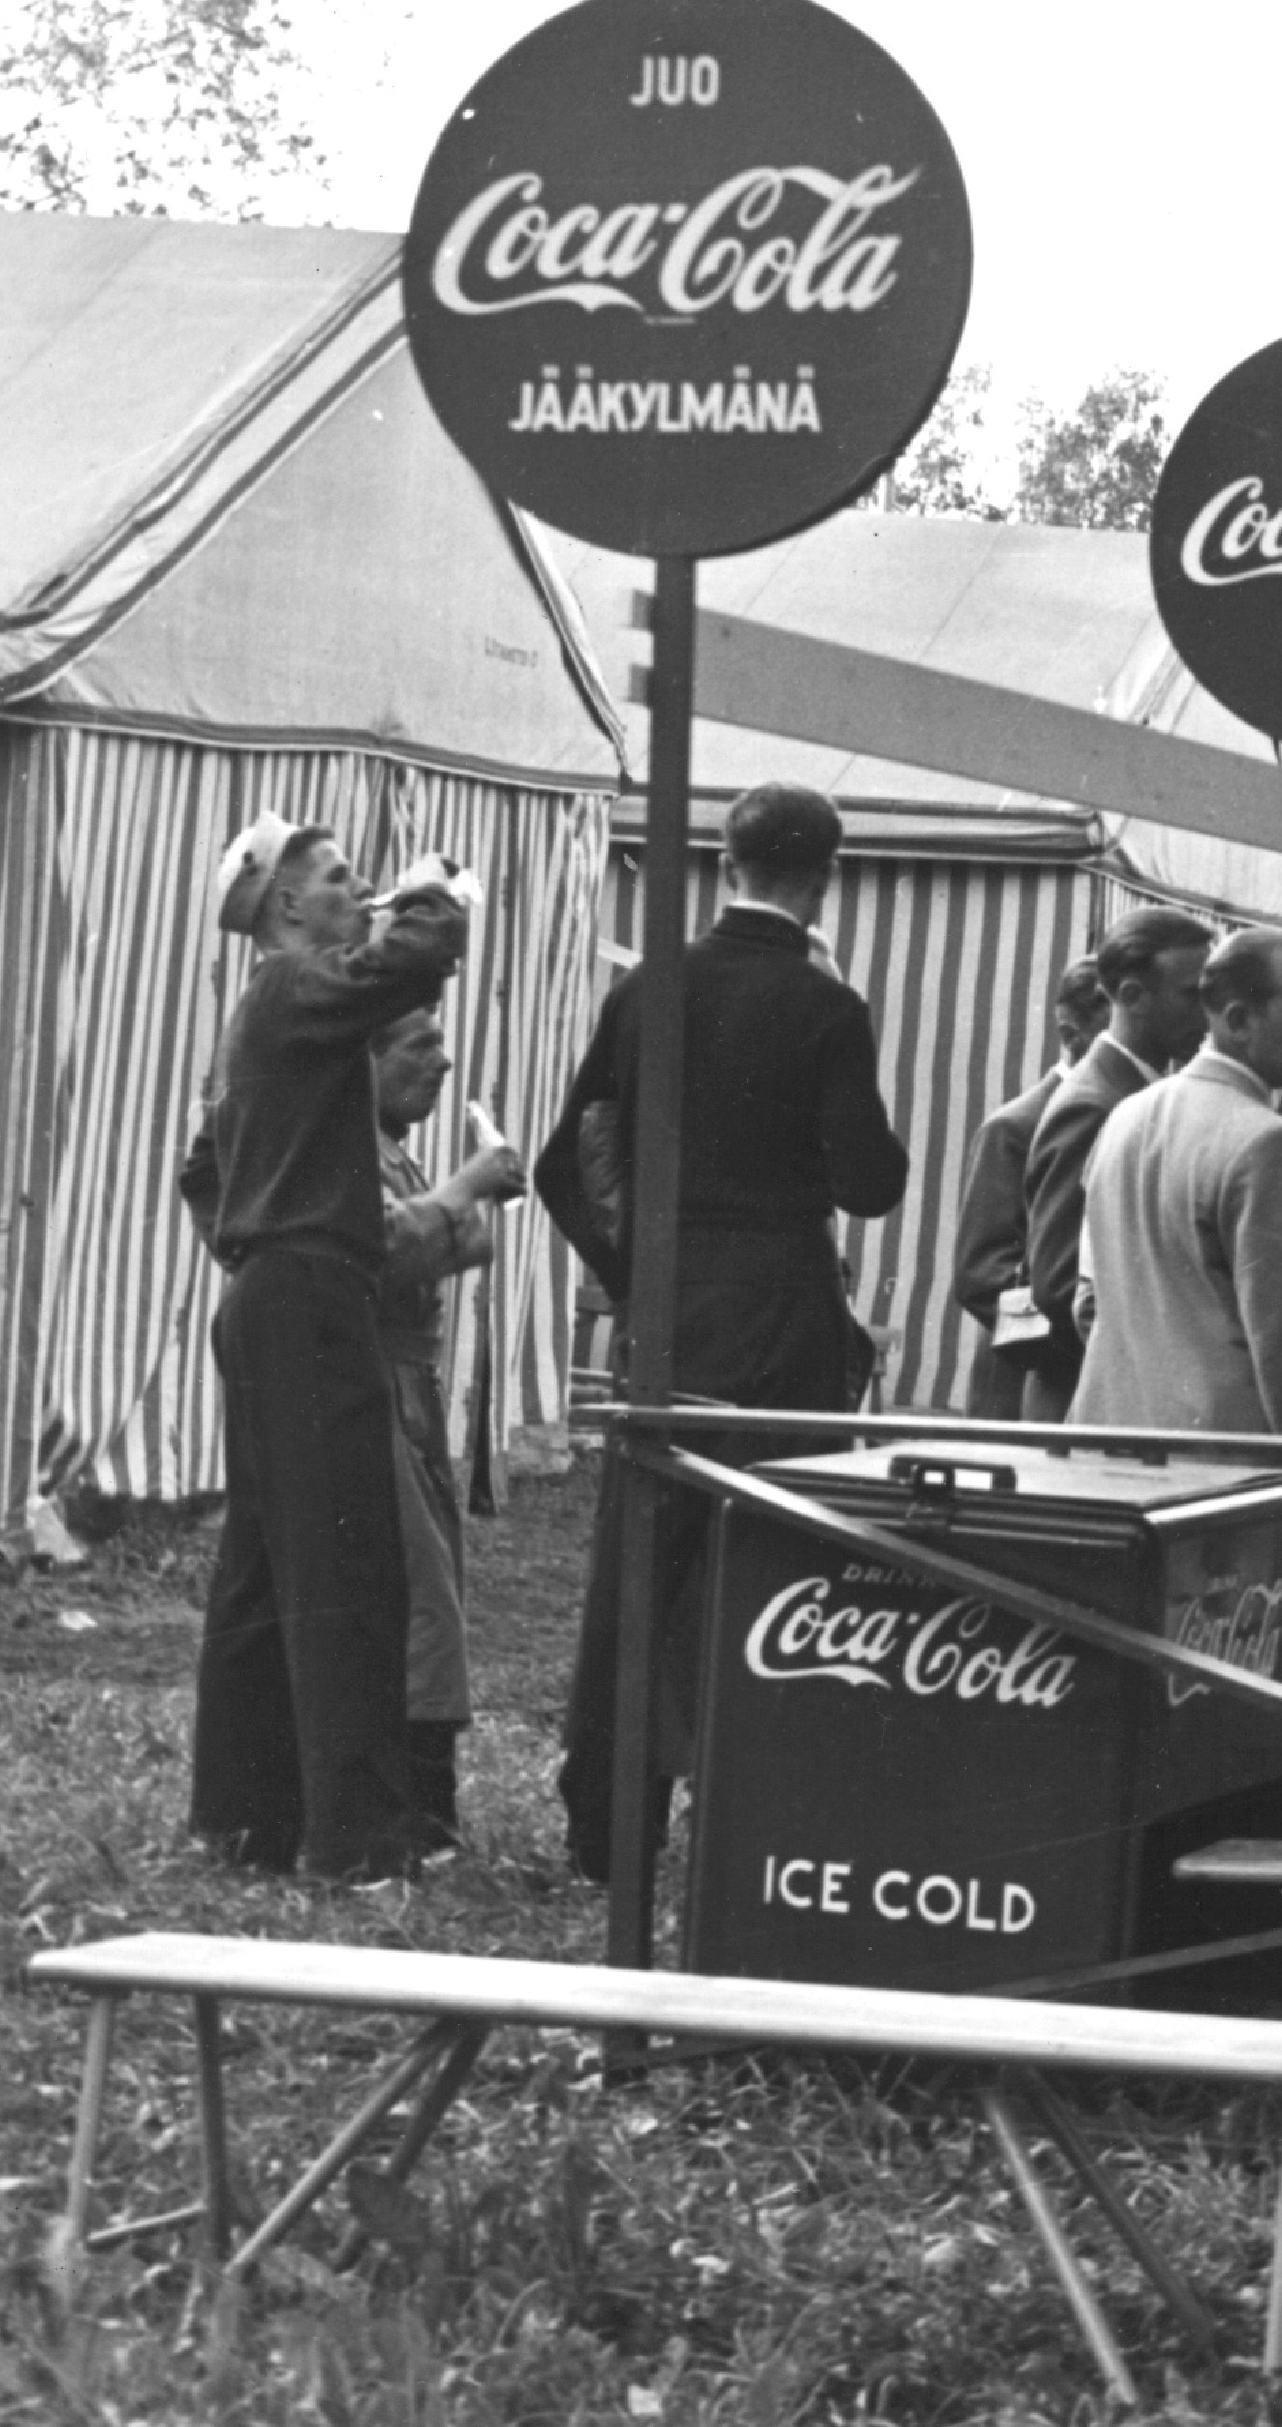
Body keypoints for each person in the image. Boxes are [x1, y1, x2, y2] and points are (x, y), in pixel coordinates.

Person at [538, 779, 909, 1884]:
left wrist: (632, 1269)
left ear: (724, 858)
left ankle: (608, 1824)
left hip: (668, 1310)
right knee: (778, 1564)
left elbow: (565, 1160)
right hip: (782, 1317)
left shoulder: (651, 986)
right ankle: (762, 1817)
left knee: (636, 1569)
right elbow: (872, 1181)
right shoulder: (826, 1007)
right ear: (825, 874)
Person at [175, 815, 469, 1881]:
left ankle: (245, 1817)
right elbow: (419, 953)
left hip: (266, 1299)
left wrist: (256, 1245)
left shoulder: (262, 1017)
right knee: (349, 1563)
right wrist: (431, 891)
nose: (364, 892)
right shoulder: (298, 991)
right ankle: (359, 1838)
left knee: (262, 1570)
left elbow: (202, 1170)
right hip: (309, 1298)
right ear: (288, 908)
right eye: (343, 881)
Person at [1068, 930, 1282, 1531]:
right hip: (1220, 1480)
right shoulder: (1268, 1143)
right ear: (1238, 1019)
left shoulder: (1126, 1117)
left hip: (1105, 1453)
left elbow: (1089, 1299)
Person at [371, 1007, 529, 1848]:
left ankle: (424, 1804)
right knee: (421, 1594)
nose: (441, 1060)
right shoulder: (353, 1149)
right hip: (377, 1383)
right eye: (417, 1043)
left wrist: (458, 1204)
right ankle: (420, 1809)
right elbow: (389, 1253)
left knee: (434, 1591)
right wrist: (464, 1192)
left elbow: (457, 1247)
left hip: (412, 1385)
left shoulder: (397, 1150)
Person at [1017, 907, 1215, 1423]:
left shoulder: (1129, 1094)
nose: (1208, 1012)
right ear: (1130, 997)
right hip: (1087, 1400)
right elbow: (1059, 1286)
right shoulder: (1097, 1104)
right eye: (1192, 995)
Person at [951, 956, 1108, 1420]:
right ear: (1069, 1034)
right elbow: (981, 1274)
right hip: (1022, 1385)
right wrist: (1067, 1341)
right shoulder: (1015, 1127)